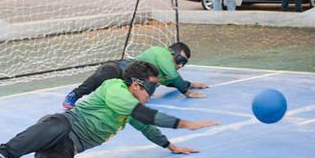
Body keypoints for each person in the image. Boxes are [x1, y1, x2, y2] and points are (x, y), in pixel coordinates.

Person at [0, 61, 219, 158]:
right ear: (135, 84)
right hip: (59, 127)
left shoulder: (128, 107)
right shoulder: (115, 88)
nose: (153, 92)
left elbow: (146, 127)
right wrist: (187, 124)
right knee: (58, 125)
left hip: (67, 148)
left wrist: (169, 146)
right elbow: (144, 115)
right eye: (151, 87)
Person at [62, 42, 208, 110]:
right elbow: (174, 77)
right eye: (180, 60)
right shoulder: (161, 52)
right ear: (171, 53)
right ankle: (74, 94)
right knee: (105, 75)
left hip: (128, 85)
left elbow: (172, 82)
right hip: (120, 69)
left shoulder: (164, 73)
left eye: (184, 64)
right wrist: (186, 92)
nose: (181, 66)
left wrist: (190, 84)